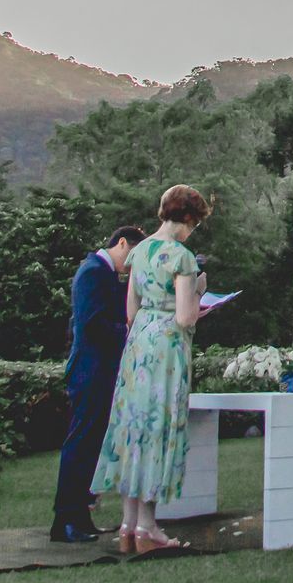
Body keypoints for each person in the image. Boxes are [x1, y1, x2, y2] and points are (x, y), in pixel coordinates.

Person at [92, 186, 212, 555]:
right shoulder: (182, 257)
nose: (192, 231)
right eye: (195, 223)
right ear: (188, 218)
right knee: (158, 427)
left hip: (138, 344)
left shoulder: (139, 251)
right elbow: (185, 317)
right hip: (166, 349)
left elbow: (130, 311)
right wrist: (199, 292)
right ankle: (147, 526)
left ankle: (128, 525)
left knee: (134, 427)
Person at [51, 225, 144, 543]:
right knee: (80, 442)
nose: (132, 267)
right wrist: (128, 333)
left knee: (91, 444)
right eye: (132, 257)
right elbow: (91, 324)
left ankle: (80, 516)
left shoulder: (103, 273)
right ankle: (66, 519)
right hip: (89, 371)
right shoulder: (93, 272)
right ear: (122, 243)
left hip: (99, 370)